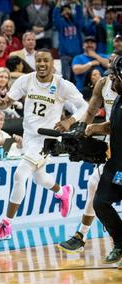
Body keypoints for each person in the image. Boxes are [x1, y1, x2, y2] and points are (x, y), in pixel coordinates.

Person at [0, 49, 88, 241]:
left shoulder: (62, 85)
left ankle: (5, 225)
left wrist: (69, 121)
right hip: (30, 136)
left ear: (52, 64)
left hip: (47, 139)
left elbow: (85, 106)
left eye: (45, 60)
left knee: (19, 175)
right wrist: (1, 104)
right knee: (39, 178)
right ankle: (62, 191)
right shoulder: (26, 80)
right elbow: (8, 102)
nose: (41, 64)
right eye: (38, 60)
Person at [58, 52, 120, 254]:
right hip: (113, 141)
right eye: (109, 64)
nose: (110, 68)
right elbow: (91, 110)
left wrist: (93, 129)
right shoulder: (103, 84)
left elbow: (115, 124)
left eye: (114, 64)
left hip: (114, 136)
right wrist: (82, 127)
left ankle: (89, 236)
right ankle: (83, 236)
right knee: (95, 186)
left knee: (99, 189)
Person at [86, 55, 122, 268]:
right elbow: (113, 124)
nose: (112, 82)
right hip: (115, 162)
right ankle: (120, 242)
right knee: (100, 202)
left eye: (115, 77)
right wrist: (96, 128)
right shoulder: (118, 98)